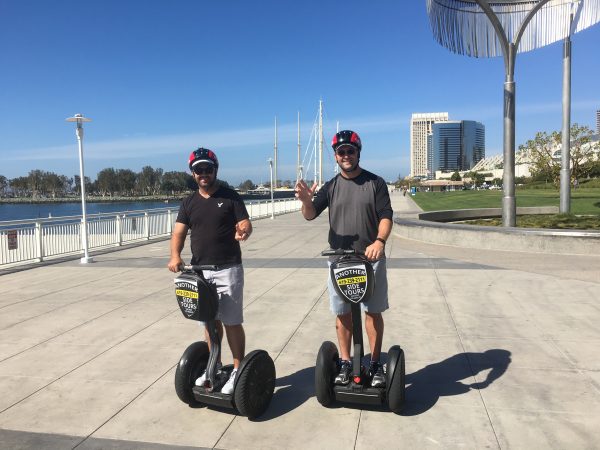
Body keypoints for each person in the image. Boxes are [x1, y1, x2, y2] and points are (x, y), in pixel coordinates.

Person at [295, 130, 393, 387]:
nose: (346, 155)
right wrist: (306, 201)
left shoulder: (376, 183)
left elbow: (385, 216)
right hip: (340, 261)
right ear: (336, 157)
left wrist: (379, 242)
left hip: (371, 259)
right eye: (341, 152)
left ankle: (374, 363)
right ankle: (346, 362)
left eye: (350, 150)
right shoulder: (331, 186)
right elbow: (310, 214)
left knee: (373, 312)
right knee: (342, 314)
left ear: (358, 152)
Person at [168, 147, 252, 394]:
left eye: (208, 169)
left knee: (231, 321)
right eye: (198, 169)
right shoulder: (189, 202)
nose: (203, 173)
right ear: (192, 173)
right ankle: (213, 366)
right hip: (200, 271)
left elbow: (245, 223)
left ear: (215, 170)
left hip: (228, 269)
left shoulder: (230, 196)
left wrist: (244, 230)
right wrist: (175, 256)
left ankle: (237, 369)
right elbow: (179, 232)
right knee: (209, 322)